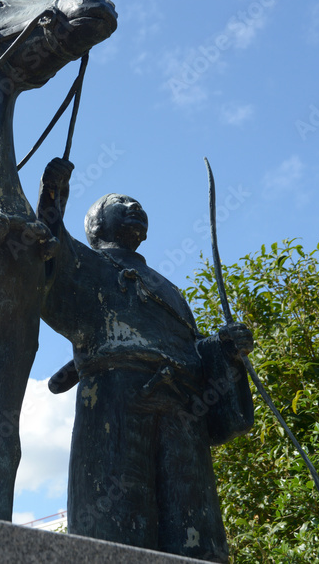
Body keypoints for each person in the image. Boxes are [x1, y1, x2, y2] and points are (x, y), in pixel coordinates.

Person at [37, 157, 254, 563]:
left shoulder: (170, 290)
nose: (135, 207)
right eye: (122, 202)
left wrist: (225, 349)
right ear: (97, 224)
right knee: (117, 517)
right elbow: (47, 252)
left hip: (183, 403)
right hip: (119, 395)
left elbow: (194, 351)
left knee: (191, 519)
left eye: (138, 204)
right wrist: (53, 197)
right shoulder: (89, 263)